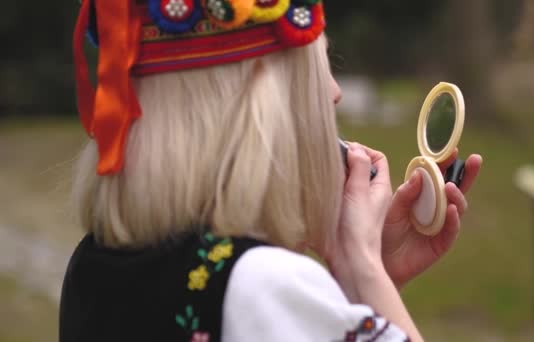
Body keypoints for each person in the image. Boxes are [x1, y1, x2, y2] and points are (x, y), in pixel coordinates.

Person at [60, 0, 483, 341]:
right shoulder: (261, 287)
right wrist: (363, 269)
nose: (334, 93)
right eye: (317, 67)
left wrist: (364, 291)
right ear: (260, 109)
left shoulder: (93, 264)